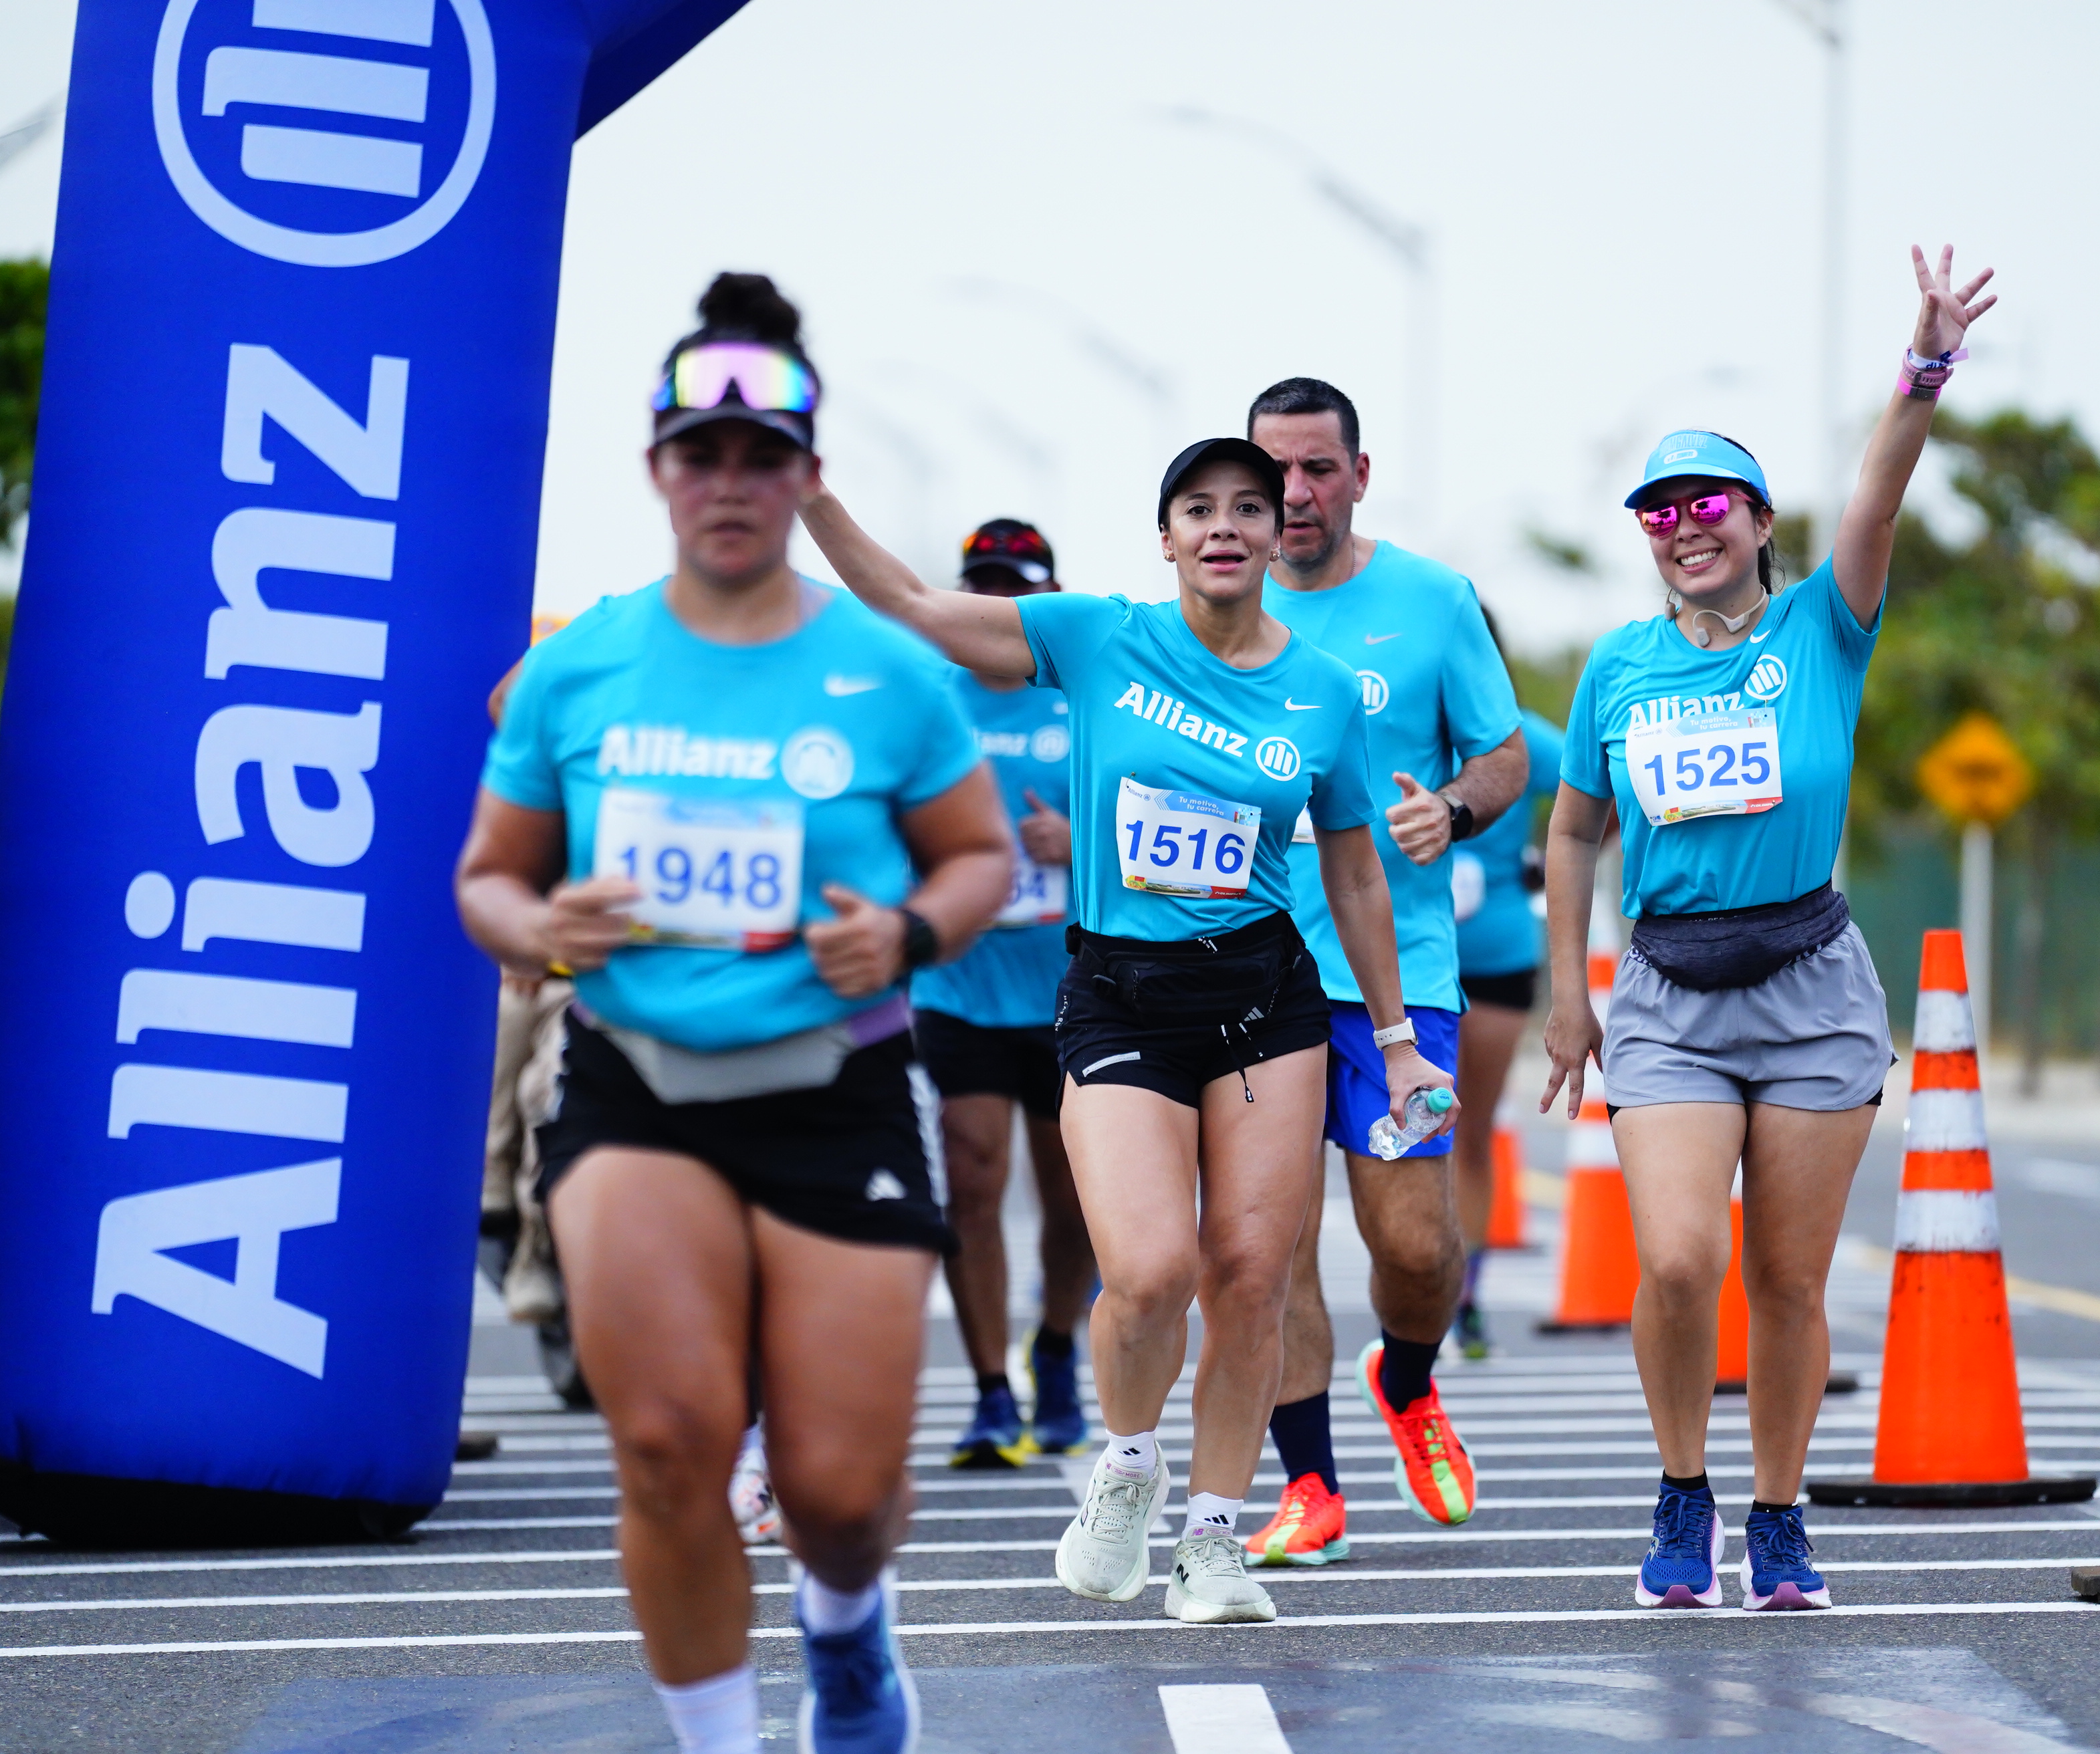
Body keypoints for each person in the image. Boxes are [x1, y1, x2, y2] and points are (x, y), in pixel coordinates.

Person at [456, 273, 1013, 1754]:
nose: (729, 482)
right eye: (700, 452)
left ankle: (846, 1626)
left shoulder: (888, 670)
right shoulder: (578, 665)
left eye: (763, 456)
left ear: (808, 476)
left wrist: (904, 928)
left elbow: (981, 859)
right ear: (657, 468)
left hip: (835, 1086)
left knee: (836, 1492)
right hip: (635, 1085)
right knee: (666, 1443)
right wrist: (541, 924)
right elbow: (489, 885)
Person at [798, 435, 1448, 1628]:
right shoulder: (1098, 635)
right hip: (1118, 992)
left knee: (1250, 1279)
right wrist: (814, 494)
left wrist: (1398, 1036)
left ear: (1277, 531)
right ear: (1165, 537)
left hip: (1265, 996)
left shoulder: (1321, 691)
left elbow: (1353, 868)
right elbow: (905, 601)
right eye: (1197, 507)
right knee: (1148, 1272)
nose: (1224, 526)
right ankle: (1129, 1463)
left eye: (1249, 507)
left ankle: (1211, 1537)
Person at [1542, 246, 1995, 1613]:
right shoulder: (1619, 668)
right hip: (1670, 997)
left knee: (1789, 1284)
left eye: (1708, 504)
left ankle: (1780, 1514)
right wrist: (1572, 990)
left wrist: (1924, 367)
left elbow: (1882, 486)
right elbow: (1575, 829)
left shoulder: (1821, 627)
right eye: (1660, 510)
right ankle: (1684, 1493)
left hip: (1810, 988)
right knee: (1680, 1261)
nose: (1684, 525)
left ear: (1756, 520)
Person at [1240, 378, 1527, 1568]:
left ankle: (1406, 1376)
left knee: (1412, 1242)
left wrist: (1450, 811)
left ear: (1359, 474)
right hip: (1242, 971)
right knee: (1270, 1243)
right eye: (1272, 475)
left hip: (1394, 978)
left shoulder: (1431, 601)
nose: (1293, 496)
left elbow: (1506, 753)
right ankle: (1311, 1482)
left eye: (1316, 470)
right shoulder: (1211, 604)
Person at [914, 519, 1099, 1467]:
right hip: (960, 982)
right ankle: (991, 1390)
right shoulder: (928, 697)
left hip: (1070, 987)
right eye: (979, 587)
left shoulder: (1083, 695)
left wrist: (1078, 845)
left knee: (1070, 1194)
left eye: (1013, 590)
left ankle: (1058, 1348)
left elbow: (1148, 814)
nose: (993, 604)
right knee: (972, 1175)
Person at [1447, 610, 1566, 1361]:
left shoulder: (1517, 733)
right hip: (1398, 957)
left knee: (1452, 1133)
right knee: (1459, 1138)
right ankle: (1457, 1298)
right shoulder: (1514, 728)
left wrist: (1559, 857)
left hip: (1483, 954)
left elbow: (1606, 786)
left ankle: (1458, 1294)